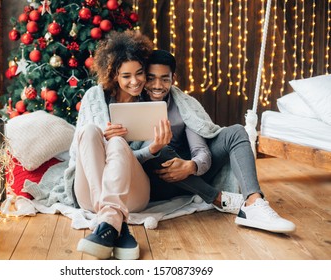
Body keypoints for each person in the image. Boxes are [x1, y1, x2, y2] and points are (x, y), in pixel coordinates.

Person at [141, 49, 296, 234]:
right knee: (160, 150)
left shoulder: (185, 106)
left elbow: (201, 151)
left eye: (164, 79)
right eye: (151, 78)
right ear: (143, 78)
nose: (157, 85)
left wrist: (191, 166)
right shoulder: (131, 104)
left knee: (236, 131)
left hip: (191, 175)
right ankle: (218, 198)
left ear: (173, 78)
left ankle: (253, 202)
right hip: (157, 183)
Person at [70, 31, 171, 260]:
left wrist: (153, 148)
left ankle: (107, 222)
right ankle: (115, 221)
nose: (135, 81)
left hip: (133, 193)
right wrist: (103, 139)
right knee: (89, 131)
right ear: (114, 75)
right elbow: (76, 153)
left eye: (139, 74)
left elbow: (142, 157)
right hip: (90, 191)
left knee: (117, 143)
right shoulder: (93, 96)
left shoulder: (150, 101)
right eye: (126, 76)